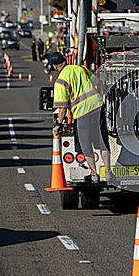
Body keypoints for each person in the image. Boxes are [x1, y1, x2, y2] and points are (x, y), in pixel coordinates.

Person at [51, 51, 117, 185]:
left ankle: (94, 175)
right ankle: (108, 173)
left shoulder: (60, 81)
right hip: (98, 107)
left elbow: (62, 107)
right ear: (65, 61)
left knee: (86, 145)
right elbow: (100, 84)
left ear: (54, 66)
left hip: (82, 114)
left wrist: (58, 124)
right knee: (103, 142)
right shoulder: (81, 68)